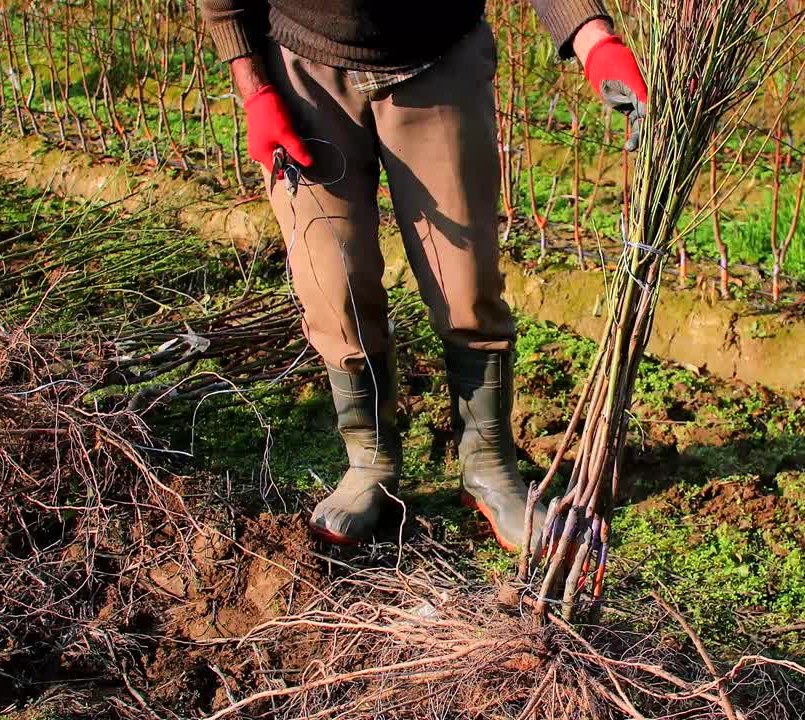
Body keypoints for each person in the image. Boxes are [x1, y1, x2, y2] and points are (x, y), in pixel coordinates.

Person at [200, 0, 647, 550]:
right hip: (303, 66)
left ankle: (488, 467)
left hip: (437, 56)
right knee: (331, 286)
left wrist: (594, 40)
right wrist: (254, 89)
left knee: (467, 287)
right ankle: (370, 463)